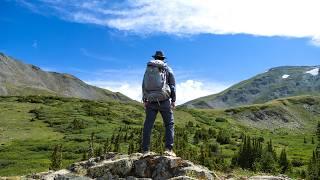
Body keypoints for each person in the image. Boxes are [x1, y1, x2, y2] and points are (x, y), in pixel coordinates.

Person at [141, 50, 176, 157]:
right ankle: (168, 149)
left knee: (148, 125)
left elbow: (143, 85)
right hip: (164, 99)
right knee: (169, 124)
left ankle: (145, 150)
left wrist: (145, 99)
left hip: (151, 100)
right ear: (163, 59)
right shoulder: (167, 68)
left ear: (155, 58)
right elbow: (172, 85)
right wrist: (173, 100)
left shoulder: (149, 68)